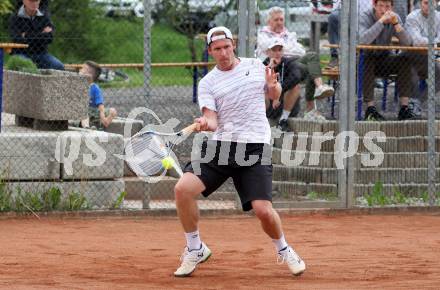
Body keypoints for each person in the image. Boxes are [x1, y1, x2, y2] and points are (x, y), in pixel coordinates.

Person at [173, 26, 306, 278]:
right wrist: (204, 123)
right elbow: (211, 120)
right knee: (182, 189)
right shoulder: (208, 83)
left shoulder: (256, 66)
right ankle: (195, 248)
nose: (223, 53)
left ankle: (284, 249)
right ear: (210, 51)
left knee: (263, 210)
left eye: (226, 47)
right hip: (221, 146)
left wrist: (272, 86)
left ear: (233, 45)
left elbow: (274, 97)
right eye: (217, 49)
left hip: (255, 146)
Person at [256, 6, 334, 121]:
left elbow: (301, 51)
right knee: (307, 69)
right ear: (269, 21)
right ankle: (310, 109)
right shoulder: (263, 34)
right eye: (276, 20)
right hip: (274, 65)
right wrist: (285, 49)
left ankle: (320, 87)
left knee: (312, 56)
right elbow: (268, 49)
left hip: (292, 61)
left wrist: (283, 49)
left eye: (281, 20)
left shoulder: (287, 33)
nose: (279, 22)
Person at [359, 0, 415, 120]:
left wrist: (396, 24)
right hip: (365, 59)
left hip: (385, 58)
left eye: (387, 6)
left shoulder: (395, 17)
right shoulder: (365, 16)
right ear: (374, 5)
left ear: (392, 7)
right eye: (381, 6)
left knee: (405, 58)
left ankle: (404, 108)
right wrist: (381, 22)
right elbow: (363, 40)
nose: (384, 10)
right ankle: (370, 109)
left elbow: (408, 43)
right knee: (367, 59)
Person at [264, 38, 327, 131]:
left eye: (280, 50)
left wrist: (278, 92)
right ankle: (261, 121)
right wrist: (270, 67)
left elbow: (296, 77)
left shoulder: (288, 62)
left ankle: (283, 120)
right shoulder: (263, 65)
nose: (277, 53)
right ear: (268, 52)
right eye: (274, 50)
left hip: (287, 106)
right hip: (270, 106)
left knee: (295, 86)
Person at [9, 0, 64, 70]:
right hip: (21, 53)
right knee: (25, 68)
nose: (34, 3)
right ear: (24, 1)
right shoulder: (15, 17)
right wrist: (41, 35)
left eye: (36, 1)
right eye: (31, 1)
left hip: (41, 53)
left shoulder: (44, 16)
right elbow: (16, 39)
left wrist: (26, 36)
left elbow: (49, 38)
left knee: (59, 66)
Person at [405, 0, 440, 102]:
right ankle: (411, 104)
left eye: (431, 3)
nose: (428, 6)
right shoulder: (412, 17)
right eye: (425, 2)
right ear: (420, 3)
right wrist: (436, 42)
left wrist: (426, 42)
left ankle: (420, 101)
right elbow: (416, 41)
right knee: (411, 76)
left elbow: (421, 40)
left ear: (436, 3)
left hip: (430, 57)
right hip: (411, 57)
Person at [79, 61, 117, 129]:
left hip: (94, 111)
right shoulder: (79, 86)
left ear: (89, 75)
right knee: (84, 114)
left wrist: (102, 116)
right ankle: (87, 128)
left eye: (83, 69)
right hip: (84, 111)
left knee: (113, 111)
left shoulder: (94, 88)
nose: (80, 70)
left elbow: (100, 104)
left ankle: (104, 123)